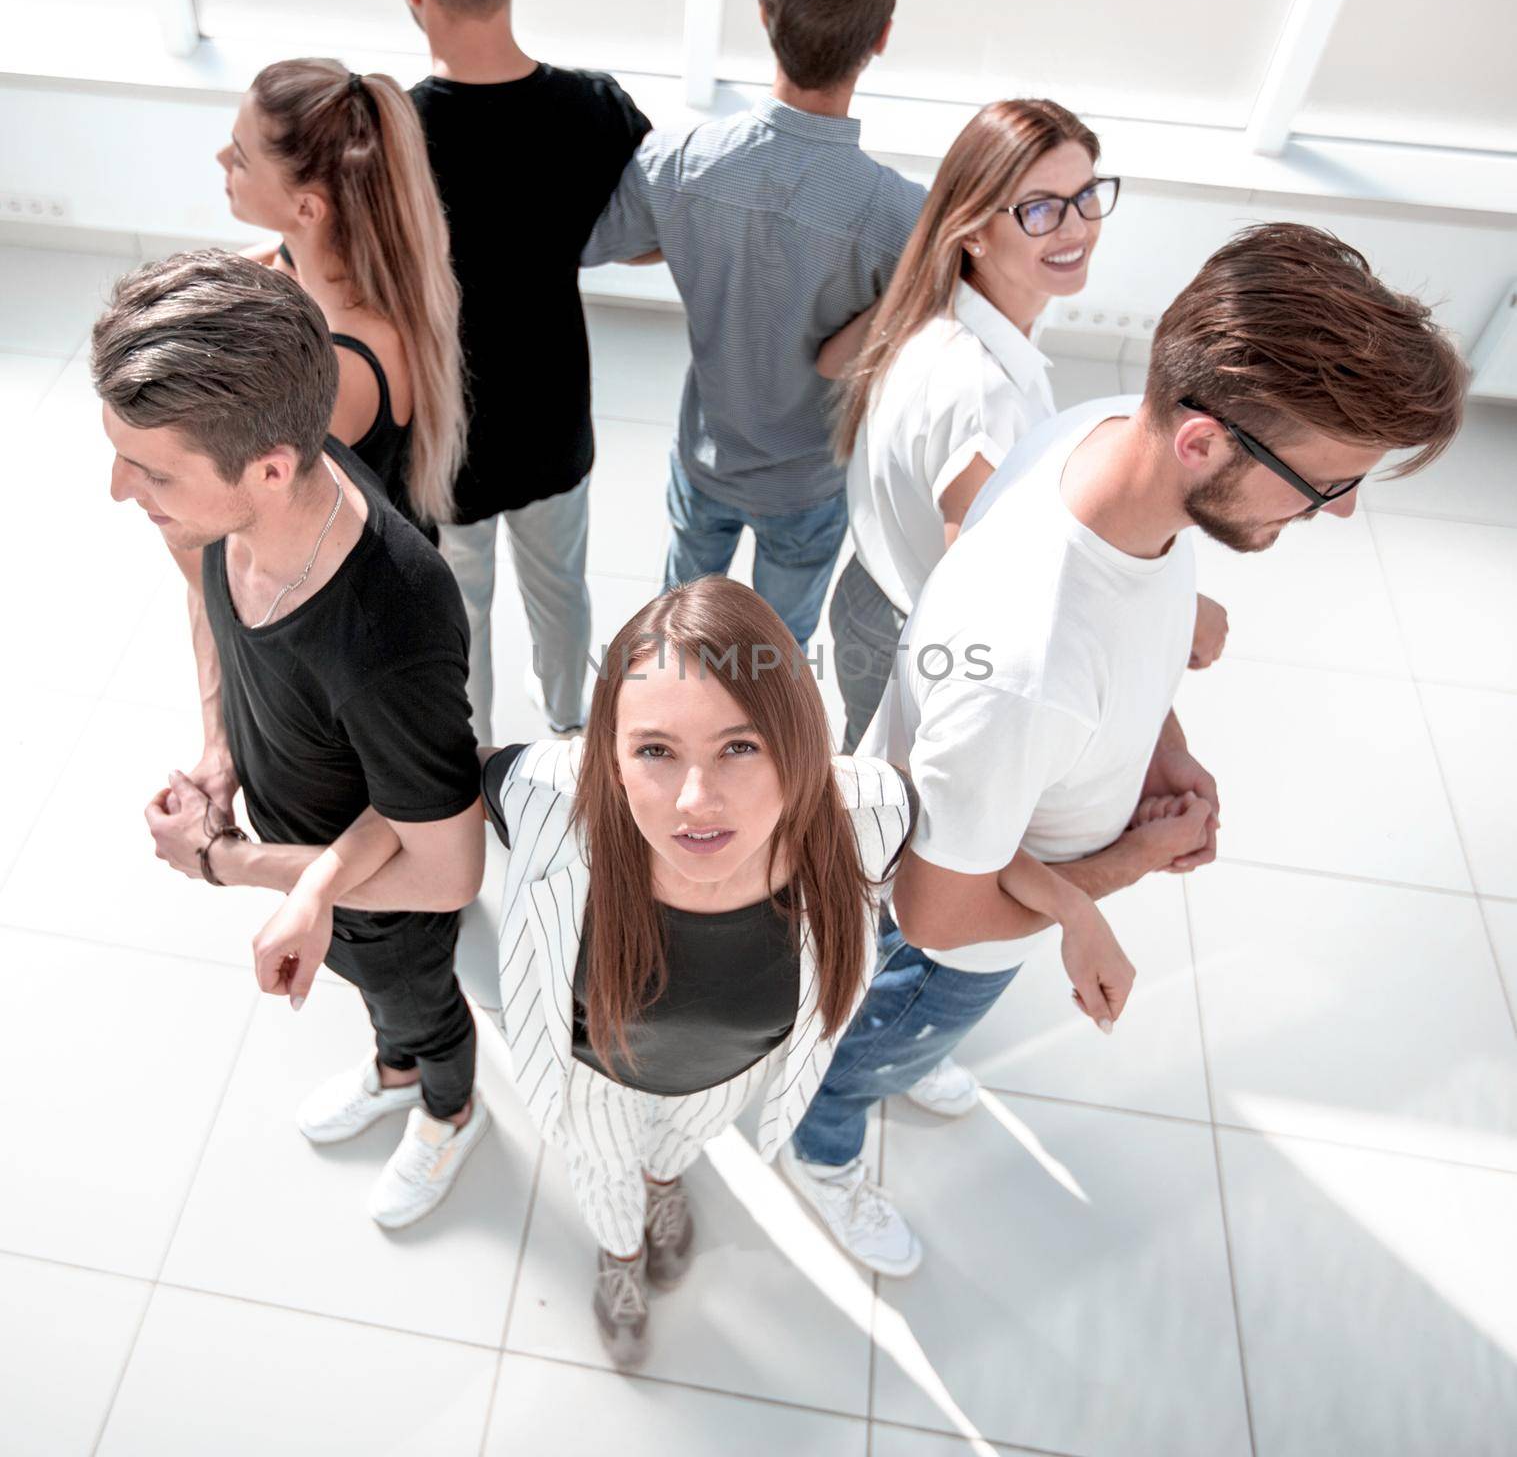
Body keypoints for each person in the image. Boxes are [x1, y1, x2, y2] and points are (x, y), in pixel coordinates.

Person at [782, 222, 1467, 1271]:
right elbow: (935, 908)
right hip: (959, 930)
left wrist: (1161, 740)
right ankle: (822, 1151)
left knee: (908, 1020)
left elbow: (1125, 627)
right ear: (1202, 443)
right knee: (872, 1039)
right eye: (1325, 484)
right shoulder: (1021, 668)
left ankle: (900, 1057)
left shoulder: (1107, 430)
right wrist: (1111, 882)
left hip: (997, 836)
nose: (1337, 512)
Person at [464, 577, 1109, 1359]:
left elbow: (975, 849)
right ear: (608, 753)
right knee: (602, 1175)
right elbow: (435, 778)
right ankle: (621, 1258)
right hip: (593, 1071)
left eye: (739, 746)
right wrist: (316, 880)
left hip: (735, 1068)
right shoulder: (546, 791)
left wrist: (1077, 912)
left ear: (796, 741)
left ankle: (665, 1183)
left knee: (676, 1148)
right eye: (655, 751)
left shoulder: (861, 809)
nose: (696, 801)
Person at [97, 250, 490, 1231]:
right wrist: (220, 744)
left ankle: (448, 1106)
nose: (117, 490)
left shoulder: (386, 635)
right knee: (378, 1006)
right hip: (310, 861)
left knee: (422, 1004)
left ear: (270, 469)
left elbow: (446, 874)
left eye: (147, 470)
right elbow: (203, 591)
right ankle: (395, 1068)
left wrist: (226, 864)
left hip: (386, 895)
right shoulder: (238, 494)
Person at [823, 96, 1227, 754]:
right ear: (973, 230)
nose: (1073, 229)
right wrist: (1173, 618)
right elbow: (989, 597)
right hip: (906, 636)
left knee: (861, 786)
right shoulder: (983, 395)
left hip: (870, 591)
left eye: (1084, 196)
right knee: (887, 822)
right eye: (1039, 209)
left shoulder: (933, 311)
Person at [581, 0, 926, 648]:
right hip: (808, 483)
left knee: (675, 633)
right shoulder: (904, 219)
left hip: (705, 457)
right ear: (881, 40)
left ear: (765, 18)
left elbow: (595, 244)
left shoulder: (678, 165)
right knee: (776, 652)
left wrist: (691, 228)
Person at [391, 0, 651, 738]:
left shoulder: (389, 133)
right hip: (552, 423)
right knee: (561, 590)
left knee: (458, 608)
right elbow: (652, 236)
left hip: (442, 437)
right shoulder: (593, 110)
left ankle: (476, 764)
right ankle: (572, 734)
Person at [217, 57, 467, 540]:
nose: (222, 157)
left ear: (307, 207)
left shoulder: (347, 366)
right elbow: (253, 269)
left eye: (242, 158)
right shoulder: (309, 255)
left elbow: (267, 512)